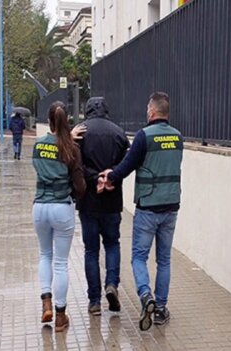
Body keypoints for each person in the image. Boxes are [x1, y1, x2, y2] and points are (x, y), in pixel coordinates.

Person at [99, 92, 183, 331]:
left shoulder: (144, 136)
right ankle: (161, 309)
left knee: (139, 257)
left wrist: (110, 177)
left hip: (148, 207)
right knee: (164, 259)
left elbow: (127, 166)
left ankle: (146, 296)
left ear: (152, 111)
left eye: (148, 108)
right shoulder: (178, 137)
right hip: (171, 206)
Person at [32, 101, 86, 332]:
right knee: (61, 263)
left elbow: (42, 162)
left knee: (45, 254)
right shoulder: (71, 149)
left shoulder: (38, 145)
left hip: (39, 207)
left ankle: (46, 301)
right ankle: (60, 316)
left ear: (49, 121)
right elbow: (80, 186)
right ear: (67, 121)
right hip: (61, 207)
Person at [75, 97, 130, 316]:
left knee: (91, 251)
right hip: (112, 200)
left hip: (88, 201)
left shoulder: (80, 132)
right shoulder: (119, 133)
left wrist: (95, 177)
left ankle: (94, 301)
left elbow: (76, 165)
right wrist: (110, 176)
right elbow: (126, 164)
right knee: (112, 244)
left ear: (87, 110)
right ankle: (112, 284)